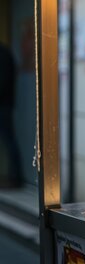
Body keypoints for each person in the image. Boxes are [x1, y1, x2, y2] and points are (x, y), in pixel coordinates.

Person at [0, 42, 21, 187]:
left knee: (9, 140)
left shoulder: (3, 54)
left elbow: (4, 81)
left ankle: (15, 177)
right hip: (5, 103)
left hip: (3, 105)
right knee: (8, 140)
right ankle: (14, 176)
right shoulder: (6, 53)